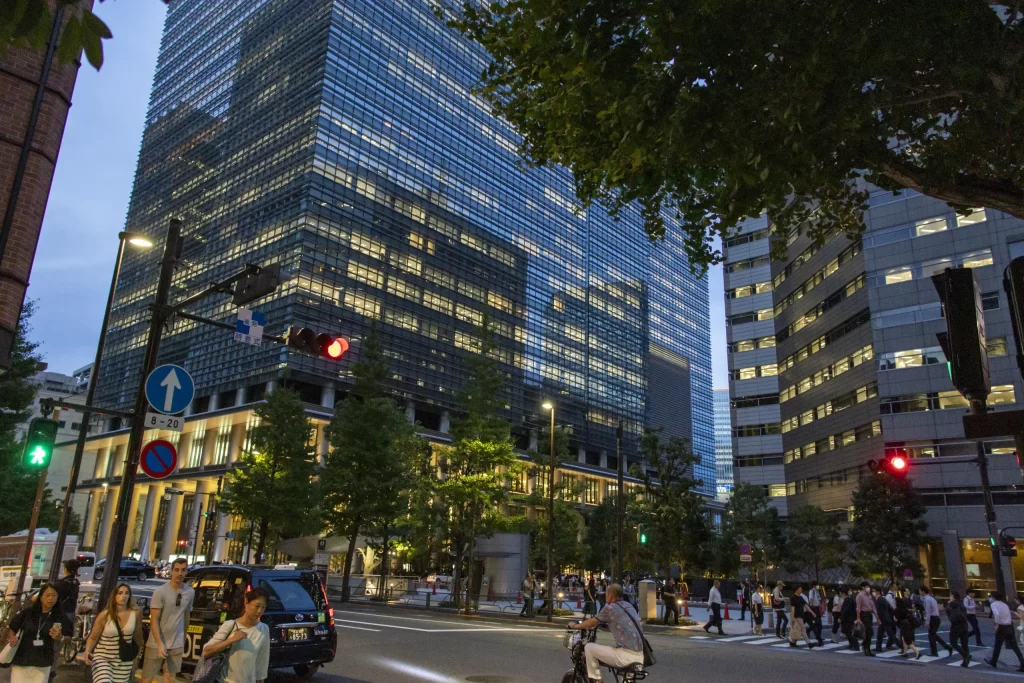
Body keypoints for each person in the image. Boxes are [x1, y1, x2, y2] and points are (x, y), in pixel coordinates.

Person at [570, 584, 643, 683]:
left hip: (624, 656)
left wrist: (575, 626)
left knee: (589, 648)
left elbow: (592, 622)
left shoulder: (610, 608)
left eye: (606, 594)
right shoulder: (629, 606)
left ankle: (598, 681)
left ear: (610, 595)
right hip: (640, 656)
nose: (605, 596)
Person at [141, 558, 195, 683]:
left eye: (183, 570)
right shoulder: (160, 591)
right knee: (147, 678)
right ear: (171, 571)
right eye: (176, 570)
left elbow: (187, 616)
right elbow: (154, 619)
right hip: (156, 642)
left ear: (187, 572)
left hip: (177, 642)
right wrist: (159, 643)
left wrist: (183, 638)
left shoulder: (190, 592)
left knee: (170, 678)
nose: (180, 573)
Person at [201, 588, 270, 683]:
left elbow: (262, 663)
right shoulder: (230, 625)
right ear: (246, 602)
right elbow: (206, 651)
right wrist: (231, 640)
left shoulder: (264, 629)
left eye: (263, 607)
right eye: (257, 606)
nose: (259, 611)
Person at [83, 583, 143, 683]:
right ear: (114, 596)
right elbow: (93, 637)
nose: (123, 596)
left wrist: (137, 657)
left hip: (124, 661)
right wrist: (87, 651)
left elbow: (138, 638)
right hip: (103, 658)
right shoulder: (105, 615)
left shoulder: (136, 614)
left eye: (126, 593)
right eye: (120, 593)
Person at [6, 582, 64, 683]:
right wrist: (12, 637)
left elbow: (67, 638)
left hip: (42, 662)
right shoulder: (28, 613)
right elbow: (12, 627)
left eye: (54, 595)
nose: (50, 598)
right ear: (41, 597)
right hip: (22, 660)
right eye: (47, 595)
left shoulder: (59, 617)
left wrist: (59, 637)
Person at [985, 591, 1024, 671]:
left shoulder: (994, 604)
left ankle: (993, 661)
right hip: (1009, 626)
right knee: (1015, 647)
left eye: (991, 597)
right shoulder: (1005, 605)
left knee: (997, 645)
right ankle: (1022, 663)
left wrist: (997, 624)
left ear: (994, 597)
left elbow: (996, 615)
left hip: (1002, 627)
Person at [920, 586, 952, 657]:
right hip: (936, 617)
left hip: (933, 618)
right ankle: (947, 647)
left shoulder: (927, 600)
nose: (920, 592)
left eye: (920, 591)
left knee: (931, 636)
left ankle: (934, 652)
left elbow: (928, 611)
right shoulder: (931, 598)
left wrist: (927, 622)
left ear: (923, 591)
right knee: (933, 635)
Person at [894, 589, 921, 659]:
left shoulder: (897, 610)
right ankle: (905, 652)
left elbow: (896, 619)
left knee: (907, 640)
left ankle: (917, 652)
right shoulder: (904, 609)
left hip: (903, 625)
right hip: (908, 623)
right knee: (903, 638)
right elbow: (912, 610)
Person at [946, 591, 972, 667]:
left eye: (950, 595)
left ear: (953, 596)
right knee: (964, 644)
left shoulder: (952, 605)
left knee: (953, 642)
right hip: (964, 625)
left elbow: (950, 616)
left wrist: (949, 604)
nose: (950, 597)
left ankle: (965, 656)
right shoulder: (961, 604)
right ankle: (965, 662)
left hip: (956, 626)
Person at [855, 582, 877, 656]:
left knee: (870, 632)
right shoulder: (860, 596)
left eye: (868, 586)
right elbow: (858, 608)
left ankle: (867, 647)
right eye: (867, 586)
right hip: (863, 615)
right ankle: (866, 648)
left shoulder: (869, 595)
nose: (868, 588)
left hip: (869, 614)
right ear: (863, 587)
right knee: (867, 631)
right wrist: (858, 619)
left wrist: (877, 617)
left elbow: (873, 606)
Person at [873, 586, 897, 650]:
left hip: (884, 619)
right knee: (880, 633)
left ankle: (901, 646)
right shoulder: (881, 599)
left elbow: (881, 611)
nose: (873, 593)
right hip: (885, 618)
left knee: (891, 634)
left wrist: (878, 619)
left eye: (874, 591)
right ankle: (878, 647)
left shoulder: (880, 599)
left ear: (878, 592)